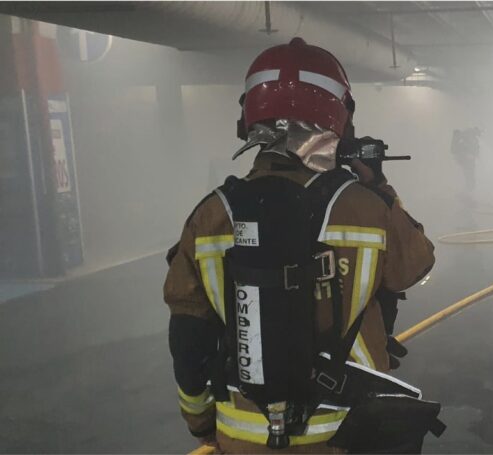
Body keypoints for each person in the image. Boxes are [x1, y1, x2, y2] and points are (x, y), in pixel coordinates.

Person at [163, 37, 436, 453]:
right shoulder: (363, 206)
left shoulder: (210, 215)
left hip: (242, 435)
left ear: (249, 118)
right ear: (339, 117)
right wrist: (379, 185)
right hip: (350, 430)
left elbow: (188, 336)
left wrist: (201, 421)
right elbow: (415, 265)